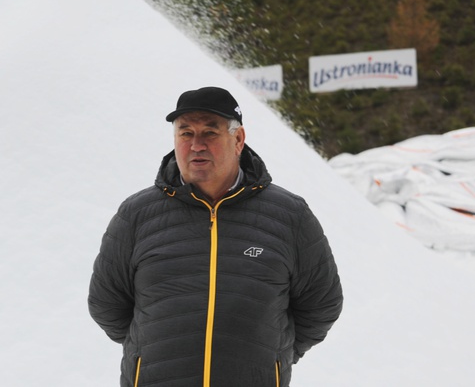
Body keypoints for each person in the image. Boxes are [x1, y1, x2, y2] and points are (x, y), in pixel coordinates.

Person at [88, 86, 343, 387]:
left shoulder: (289, 216)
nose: (196, 145)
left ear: (238, 139)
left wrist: (272, 356)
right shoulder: (137, 215)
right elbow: (106, 303)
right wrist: (147, 352)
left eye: (210, 132)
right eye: (186, 133)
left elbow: (321, 303)